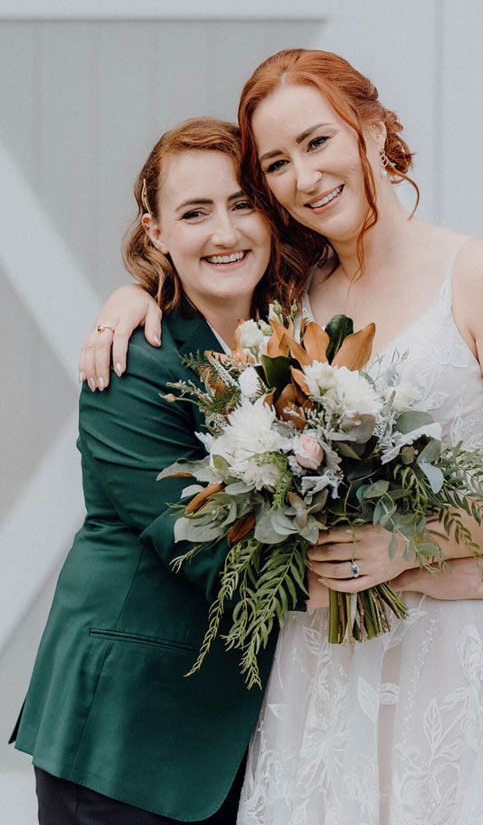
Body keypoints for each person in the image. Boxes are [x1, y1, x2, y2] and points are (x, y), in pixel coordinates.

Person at [78, 47, 483, 823]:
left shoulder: (479, 272)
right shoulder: (289, 294)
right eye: (275, 163)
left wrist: (414, 545)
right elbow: (194, 293)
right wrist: (126, 296)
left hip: (456, 657)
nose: (303, 177)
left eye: (317, 142)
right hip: (320, 667)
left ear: (372, 129)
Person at [11, 117, 308, 824]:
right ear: (155, 233)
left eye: (243, 204)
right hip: (130, 733)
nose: (226, 232)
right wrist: (425, 572)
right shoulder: (135, 361)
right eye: (195, 212)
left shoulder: (296, 348)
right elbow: (200, 543)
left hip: (239, 738)